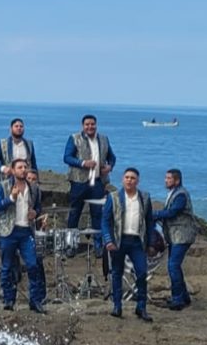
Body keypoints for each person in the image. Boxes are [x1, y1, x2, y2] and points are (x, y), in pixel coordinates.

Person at [0, 159, 46, 313]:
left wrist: (35, 213)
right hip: (9, 231)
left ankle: (35, 301)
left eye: (25, 167)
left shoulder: (33, 189)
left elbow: (38, 208)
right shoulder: (3, 186)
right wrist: (10, 199)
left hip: (26, 231)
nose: (23, 170)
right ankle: (9, 299)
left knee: (33, 264)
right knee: (7, 266)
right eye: (19, 167)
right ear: (13, 170)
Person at [102, 168, 155, 322]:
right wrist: (108, 240)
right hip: (119, 240)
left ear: (137, 181)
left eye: (132, 178)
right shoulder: (113, 197)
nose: (129, 180)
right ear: (122, 179)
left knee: (142, 272)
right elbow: (105, 221)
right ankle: (117, 306)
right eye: (127, 177)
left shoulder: (145, 197)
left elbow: (149, 221)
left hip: (137, 241)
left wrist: (150, 242)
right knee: (117, 273)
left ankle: (141, 307)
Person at [64, 114, 116, 268]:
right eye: (87, 124)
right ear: (82, 126)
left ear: (96, 125)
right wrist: (83, 163)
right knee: (74, 214)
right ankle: (71, 245)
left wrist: (109, 167)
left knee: (98, 214)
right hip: (79, 182)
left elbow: (112, 157)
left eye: (92, 124)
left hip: (98, 183)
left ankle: (98, 246)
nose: (90, 127)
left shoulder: (104, 139)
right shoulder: (74, 138)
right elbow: (67, 157)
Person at [154, 168, 197, 310]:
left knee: (173, 265)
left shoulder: (181, 195)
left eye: (169, 178)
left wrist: (155, 214)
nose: (166, 180)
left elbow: (172, 212)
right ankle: (183, 296)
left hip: (182, 235)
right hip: (175, 235)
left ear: (177, 180)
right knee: (174, 265)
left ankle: (178, 299)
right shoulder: (175, 193)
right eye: (166, 178)